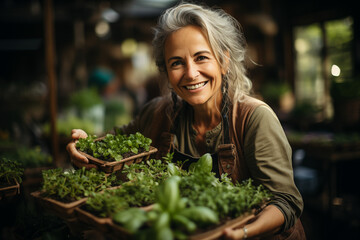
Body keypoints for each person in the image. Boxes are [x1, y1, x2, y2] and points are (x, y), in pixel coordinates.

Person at [67, 2, 305, 239]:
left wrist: (241, 233)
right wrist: (84, 146)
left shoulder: (254, 118)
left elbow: (285, 202)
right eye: (177, 62)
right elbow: (114, 143)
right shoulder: (157, 114)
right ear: (167, 72)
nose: (190, 73)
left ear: (223, 61)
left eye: (201, 57)